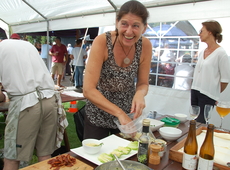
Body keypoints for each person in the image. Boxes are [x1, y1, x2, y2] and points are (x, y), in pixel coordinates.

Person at [83, 0, 152, 140]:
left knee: (126, 157)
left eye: (136, 26)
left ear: (144, 28)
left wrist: (140, 93)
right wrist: (119, 113)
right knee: (95, 160)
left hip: (127, 115)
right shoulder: (102, 41)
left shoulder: (145, 45)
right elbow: (88, 89)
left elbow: (143, 83)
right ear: (117, 22)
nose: (129, 31)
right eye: (124, 24)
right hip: (98, 113)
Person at [0, 39, 59, 170]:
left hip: (26, 104)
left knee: (12, 157)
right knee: (45, 155)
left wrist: (4, 96)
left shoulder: (2, 48)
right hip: (49, 99)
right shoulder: (26, 45)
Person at [191, 20, 230, 123]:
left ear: (210, 32)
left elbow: (225, 80)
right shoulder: (202, 52)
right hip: (195, 90)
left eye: (201, 31)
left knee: (201, 123)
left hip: (207, 94)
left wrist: (213, 92)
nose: (199, 34)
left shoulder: (221, 53)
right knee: (193, 121)